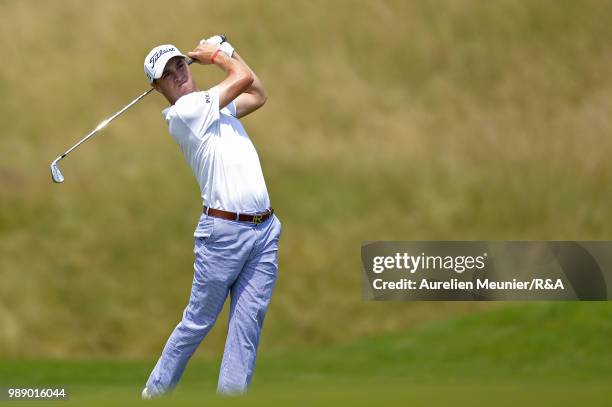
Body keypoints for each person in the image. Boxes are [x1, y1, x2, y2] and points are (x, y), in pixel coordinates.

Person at [140, 36, 281, 397]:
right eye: (168, 75)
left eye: (180, 65)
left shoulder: (213, 108)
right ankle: (153, 395)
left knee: (246, 330)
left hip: (263, 231)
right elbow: (243, 78)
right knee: (197, 322)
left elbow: (258, 94)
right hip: (224, 234)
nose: (178, 75)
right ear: (158, 88)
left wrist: (228, 53)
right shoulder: (186, 113)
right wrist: (220, 54)